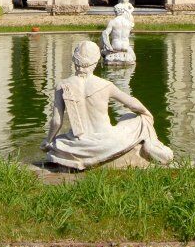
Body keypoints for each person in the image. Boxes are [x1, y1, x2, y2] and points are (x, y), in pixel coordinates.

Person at [42, 41, 173, 170]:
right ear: (96, 61)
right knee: (136, 117)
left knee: (58, 142)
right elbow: (133, 104)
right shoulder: (105, 85)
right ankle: (150, 145)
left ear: (74, 60)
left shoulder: (62, 85)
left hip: (77, 145)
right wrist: (147, 114)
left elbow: (56, 121)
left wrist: (48, 141)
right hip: (108, 143)